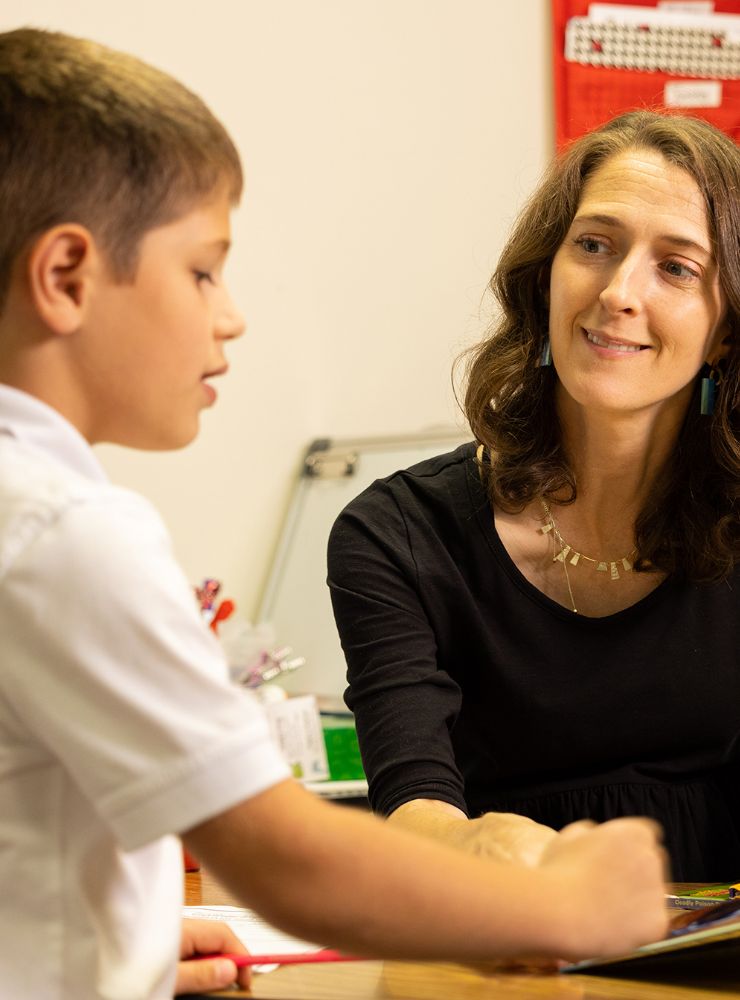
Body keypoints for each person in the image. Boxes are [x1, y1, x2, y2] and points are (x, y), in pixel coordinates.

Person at [0, 28, 669, 1000]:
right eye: (202, 270)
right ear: (65, 277)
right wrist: (565, 911)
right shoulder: (69, 532)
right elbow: (285, 858)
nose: (230, 315)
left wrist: (118, 941)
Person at [328, 108, 740, 885]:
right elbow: (413, 805)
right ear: (544, 275)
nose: (619, 292)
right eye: (594, 245)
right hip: (499, 954)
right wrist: (483, 856)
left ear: (723, 331)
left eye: (677, 267)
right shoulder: (398, 534)